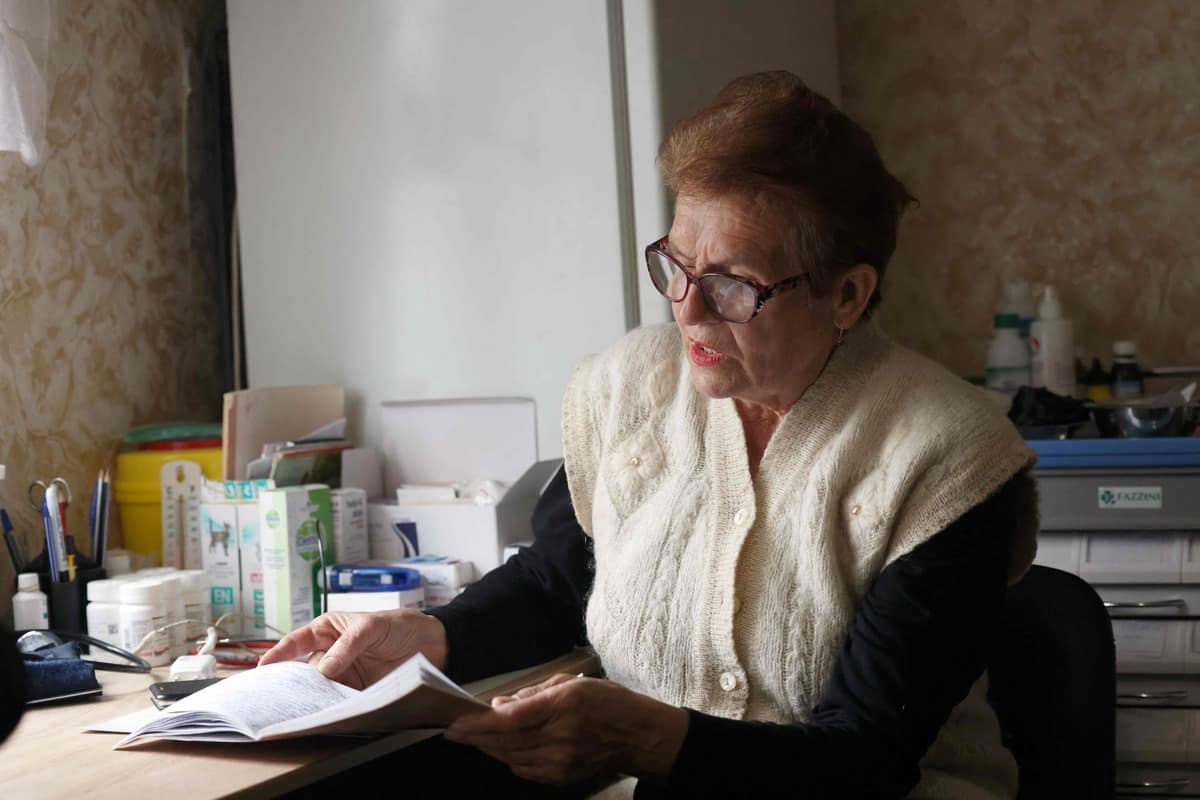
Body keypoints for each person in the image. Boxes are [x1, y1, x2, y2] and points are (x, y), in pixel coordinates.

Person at [261, 70, 1038, 799]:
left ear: (847, 294)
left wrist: (656, 742)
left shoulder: (947, 453)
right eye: (676, 264)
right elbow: (558, 581)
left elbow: (865, 759)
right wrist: (429, 637)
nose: (688, 312)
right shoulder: (627, 388)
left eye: (733, 284)